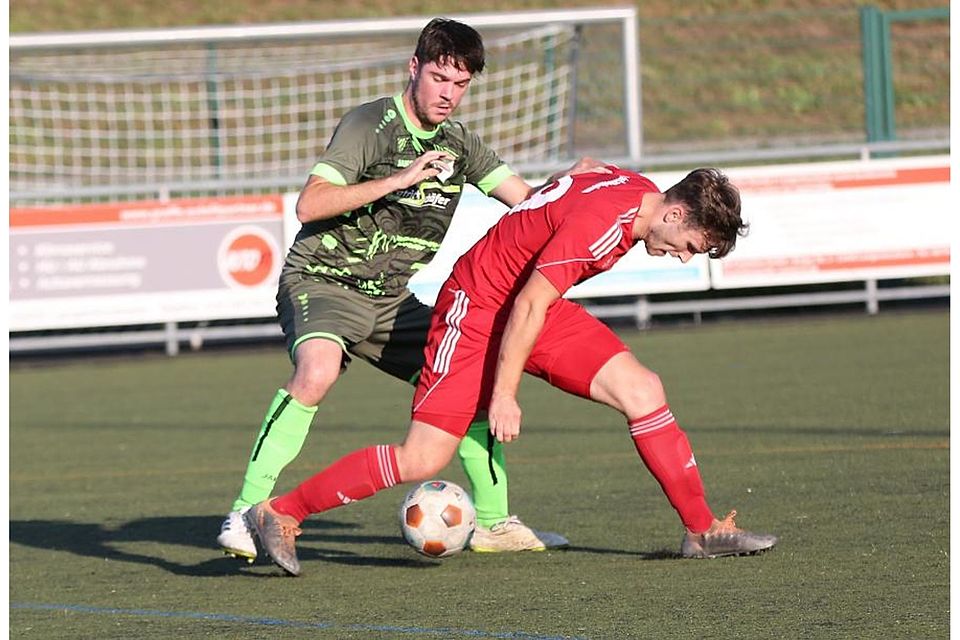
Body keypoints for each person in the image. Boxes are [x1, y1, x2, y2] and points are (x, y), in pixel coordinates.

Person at [244, 165, 779, 576]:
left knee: (642, 388)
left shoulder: (630, 185)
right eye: (691, 247)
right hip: (475, 308)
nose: (684, 257)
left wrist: (537, 216)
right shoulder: (601, 226)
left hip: (530, 304)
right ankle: (281, 512)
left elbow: (581, 169)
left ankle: (701, 530)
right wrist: (503, 394)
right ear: (676, 214)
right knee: (423, 456)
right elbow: (526, 306)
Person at [218, 17, 604, 561]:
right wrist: (400, 179)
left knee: (467, 378)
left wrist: (569, 184)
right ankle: (245, 512)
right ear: (414, 68)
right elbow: (310, 204)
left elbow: (529, 203)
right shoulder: (370, 124)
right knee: (319, 372)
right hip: (324, 280)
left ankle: (493, 524)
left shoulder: (461, 144)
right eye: (440, 78)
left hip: (392, 299)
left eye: (461, 84)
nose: (448, 94)